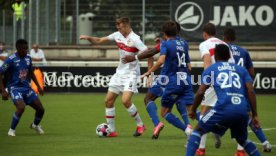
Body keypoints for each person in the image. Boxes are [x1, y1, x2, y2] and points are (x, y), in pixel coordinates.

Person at [186, 44, 261, 156]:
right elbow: (251, 90)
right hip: (242, 110)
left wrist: (192, 110)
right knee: (242, 140)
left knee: (198, 130)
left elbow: (201, 92)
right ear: (229, 55)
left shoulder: (211, 69)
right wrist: (254, 115)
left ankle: (203, 146)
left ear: (215, 57)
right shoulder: (241, 70)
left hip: (223, 107)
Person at [122, 22, 193, 139]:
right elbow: (189, 66)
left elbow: (155, 56)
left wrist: (148, 71)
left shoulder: (166, 43)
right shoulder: (184, 43)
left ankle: (161, 124)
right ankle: (191, 125)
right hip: (184, 79)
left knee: (151, 100)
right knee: (185, 103)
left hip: (168, 79)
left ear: (165, 33)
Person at [79, 17, 147, 137]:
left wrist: (150, 73)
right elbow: (99, 40)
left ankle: (140, 124)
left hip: (131, 74)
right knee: (108, 101)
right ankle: (112, 130)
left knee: (125, 101)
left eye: (120, 27)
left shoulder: (135, 39)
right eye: (117, 28)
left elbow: (148, 53)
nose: (118, 30)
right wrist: (89, 38)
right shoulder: (117, 35)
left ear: (126, 25)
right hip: (119, 73)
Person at [223, 28, 272, 155]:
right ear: (235, 38)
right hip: (243, 87)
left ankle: (201, 140)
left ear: (224, 38)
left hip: (228, 87)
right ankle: (265, 142)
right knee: (248, 116)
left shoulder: (222, 50)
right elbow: (251, 72)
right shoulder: (243, 51)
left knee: (220, 113)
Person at [195, 22, 235, 155]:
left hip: (214, 78)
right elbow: (232, 63)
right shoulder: (224, 44)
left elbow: (207, 61)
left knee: (204, 110)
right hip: (229, 79)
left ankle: (201, 147)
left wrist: (206, 81)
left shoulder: (204, 44)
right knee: (233, 110)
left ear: (204, 34)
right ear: (215, 33)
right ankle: (240, 149)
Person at [0, 39, 45, 136]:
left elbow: (31, 72)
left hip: (26, 88)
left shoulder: (28, 58)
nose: (26, 50)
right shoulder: (10, 60)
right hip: (14, 88)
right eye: (24, 49)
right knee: (21, 107)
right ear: (18, 49)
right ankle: (11, 130)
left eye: (27, 48)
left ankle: (35, 125)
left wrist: (39, 86)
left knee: (41, 109)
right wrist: (3, 91)